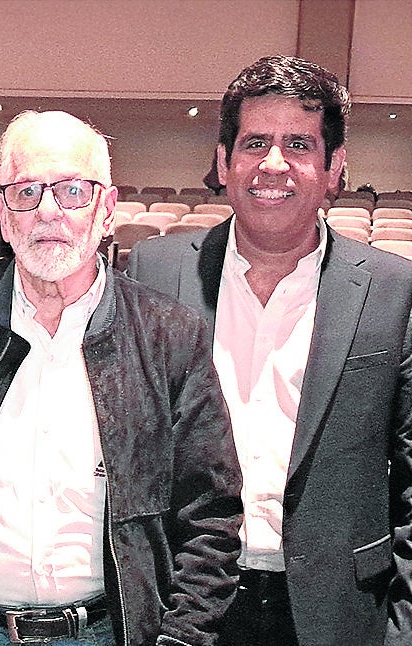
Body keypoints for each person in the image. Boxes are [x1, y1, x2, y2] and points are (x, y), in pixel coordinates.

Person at [0, 110, 242, 645]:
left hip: (112, 632)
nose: (49, 212)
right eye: (27, 192)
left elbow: (212, 517)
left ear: (107, 208)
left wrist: (182, 638)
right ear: (2, 212)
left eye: (73, 190)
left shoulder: (171, 337)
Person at [127, 56, 412, 645]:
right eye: (255, 142)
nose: (273, 164)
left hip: (339, 618)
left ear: (334, 169)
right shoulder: (155, 272)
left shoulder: (394, 292)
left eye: (299, 145)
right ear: (223, 162)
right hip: (185, 607)